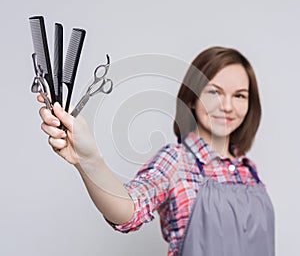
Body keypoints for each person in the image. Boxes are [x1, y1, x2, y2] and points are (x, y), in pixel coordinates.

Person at [38, 46, 275, 256]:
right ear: (192, 98)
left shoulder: (248, 170)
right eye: (214, 92)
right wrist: (89, 160)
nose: (227, 106)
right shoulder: (176, 161)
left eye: (240, 96)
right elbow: (129, 212)